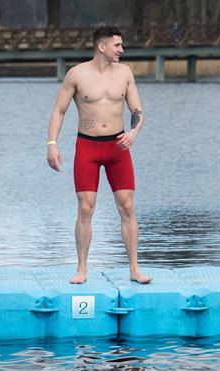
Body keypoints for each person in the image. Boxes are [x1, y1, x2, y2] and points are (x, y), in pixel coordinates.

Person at [46, 25, 151, 285]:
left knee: (127, 206)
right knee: (85, 208)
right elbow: (59, 111)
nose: (122, 50)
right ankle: (82, 269)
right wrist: (52, 143)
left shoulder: (125, 73)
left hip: (118, 148)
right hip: (88, 147)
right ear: (101, 47)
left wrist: (134, 132)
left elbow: (137, 109)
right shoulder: (77, 74)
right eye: (117, 45)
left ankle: (135, 269)